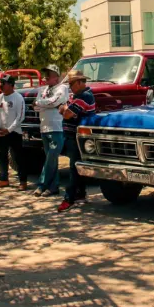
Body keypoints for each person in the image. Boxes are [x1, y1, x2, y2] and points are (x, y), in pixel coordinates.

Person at [57, 70, 96, 212]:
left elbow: (66, 113)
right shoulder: (77, 96)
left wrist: (65, 108)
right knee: (76, 166)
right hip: (71, 136)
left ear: (80, 82)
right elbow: (62, 108)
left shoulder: (84, 96)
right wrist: (65, 108)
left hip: (77, 137)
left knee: (73, 168)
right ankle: (80, 194)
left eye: (72, 83)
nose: (70, 86)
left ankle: (69, 198)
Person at [33, 65, 69, 197]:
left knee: (51, 158)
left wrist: (40, 103)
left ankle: (42, 184)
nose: (46, 76)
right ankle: (53, 187)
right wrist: (41, 104)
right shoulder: (42, 89)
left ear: (57, 76)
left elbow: (54, 102)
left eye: (49, 73)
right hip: (44, 127)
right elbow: (36, 106)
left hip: (56, 127)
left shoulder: (62, 88)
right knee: (51, 159)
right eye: (45, 73)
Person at [0, 74, 27, 190]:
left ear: (11, 85)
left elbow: (20, 117)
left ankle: (23, 181)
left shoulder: (18, 98)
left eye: (3, 83)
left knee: (18, 157)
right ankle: (3, 179)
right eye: (0, 83)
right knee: (2, 156)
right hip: (1, 133)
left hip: (14, 132)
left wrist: (9, 130)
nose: (1, 85)